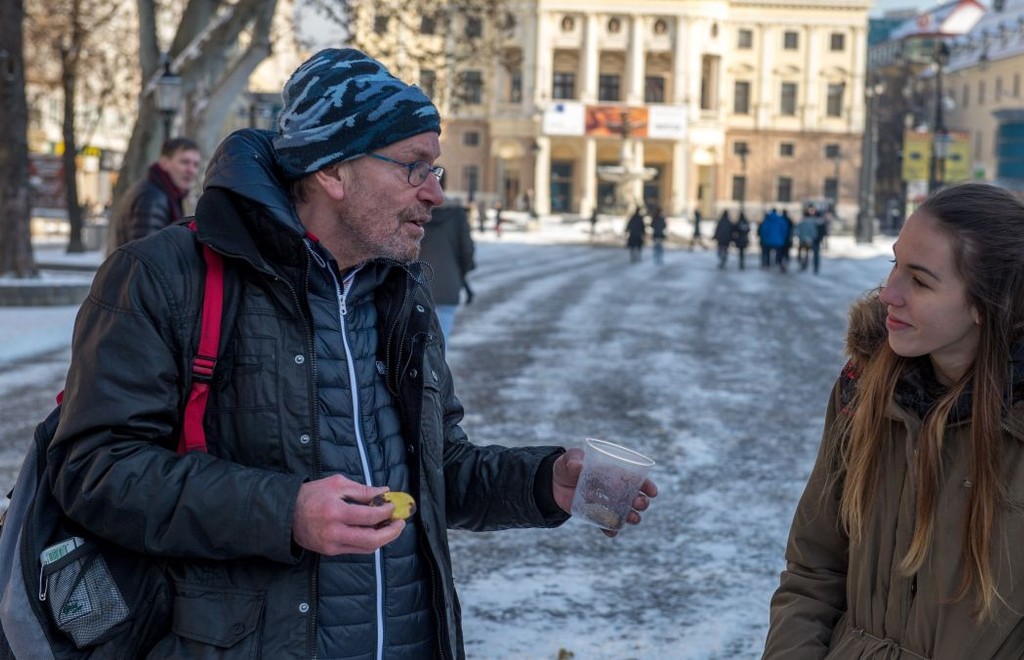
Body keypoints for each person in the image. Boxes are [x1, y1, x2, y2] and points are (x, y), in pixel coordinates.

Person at [47, 48, 656, 658]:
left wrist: (545, 482)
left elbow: (436, 469)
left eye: (436, 170)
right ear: (333, 172)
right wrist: (286, 511)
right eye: (414, 167)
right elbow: (95, 470)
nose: (435, 194)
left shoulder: (400, 290)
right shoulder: (163, 276)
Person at [763, 182, 1024, 658]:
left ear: (987, 305)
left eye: (920, 280)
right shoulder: (863, 390)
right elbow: (812, 572)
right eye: (894, 264)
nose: (888, 294)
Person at [107, 136, 201, 253]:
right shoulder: (153, 197)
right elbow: (148, 253)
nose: (191, 170)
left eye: (196, 165)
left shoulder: (159, 192)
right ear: (164, 163)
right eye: (184, 162)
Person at [420, 202, 475, 340]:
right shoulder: (457, 216)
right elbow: (467, 251)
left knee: (415, 340)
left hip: (417, 285)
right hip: (447, 284)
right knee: (440, 341)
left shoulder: (416, 210)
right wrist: (460, 273)